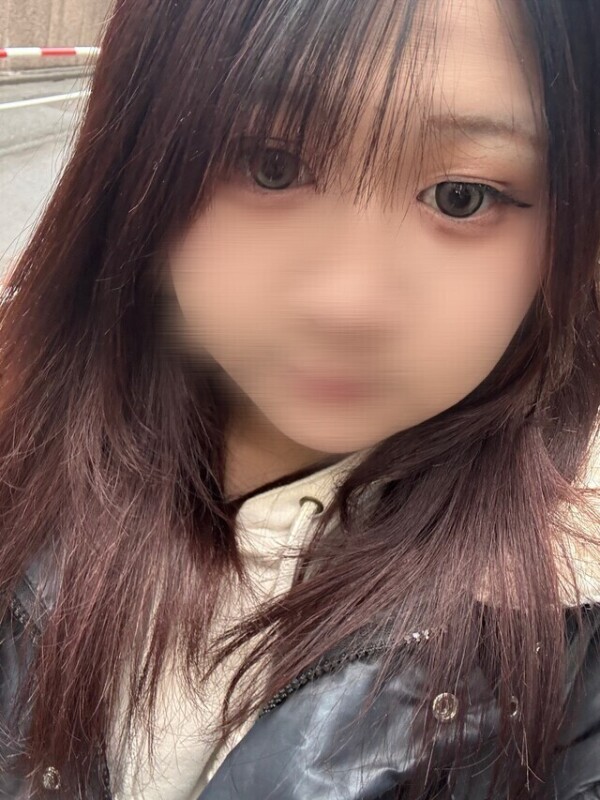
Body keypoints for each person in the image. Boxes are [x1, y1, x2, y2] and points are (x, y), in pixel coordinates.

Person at [0, 0, 599, 797]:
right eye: (270, 166)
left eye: (462, 195)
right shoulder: (23, 440)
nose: (346, 304)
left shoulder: (574, 638)